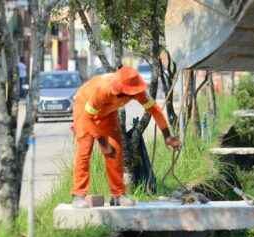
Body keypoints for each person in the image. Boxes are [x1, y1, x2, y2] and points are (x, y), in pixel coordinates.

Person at [71, 66, 181, 208]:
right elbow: (88, 118)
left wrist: (167, 136)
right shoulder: (103, 90)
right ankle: (78, 195)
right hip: (84, 108)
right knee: (84, 150)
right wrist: (103, 143)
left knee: (115, 151)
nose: (129, 97)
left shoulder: (138, 92)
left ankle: (117, 195)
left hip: (108, 112)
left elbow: (155, 111)